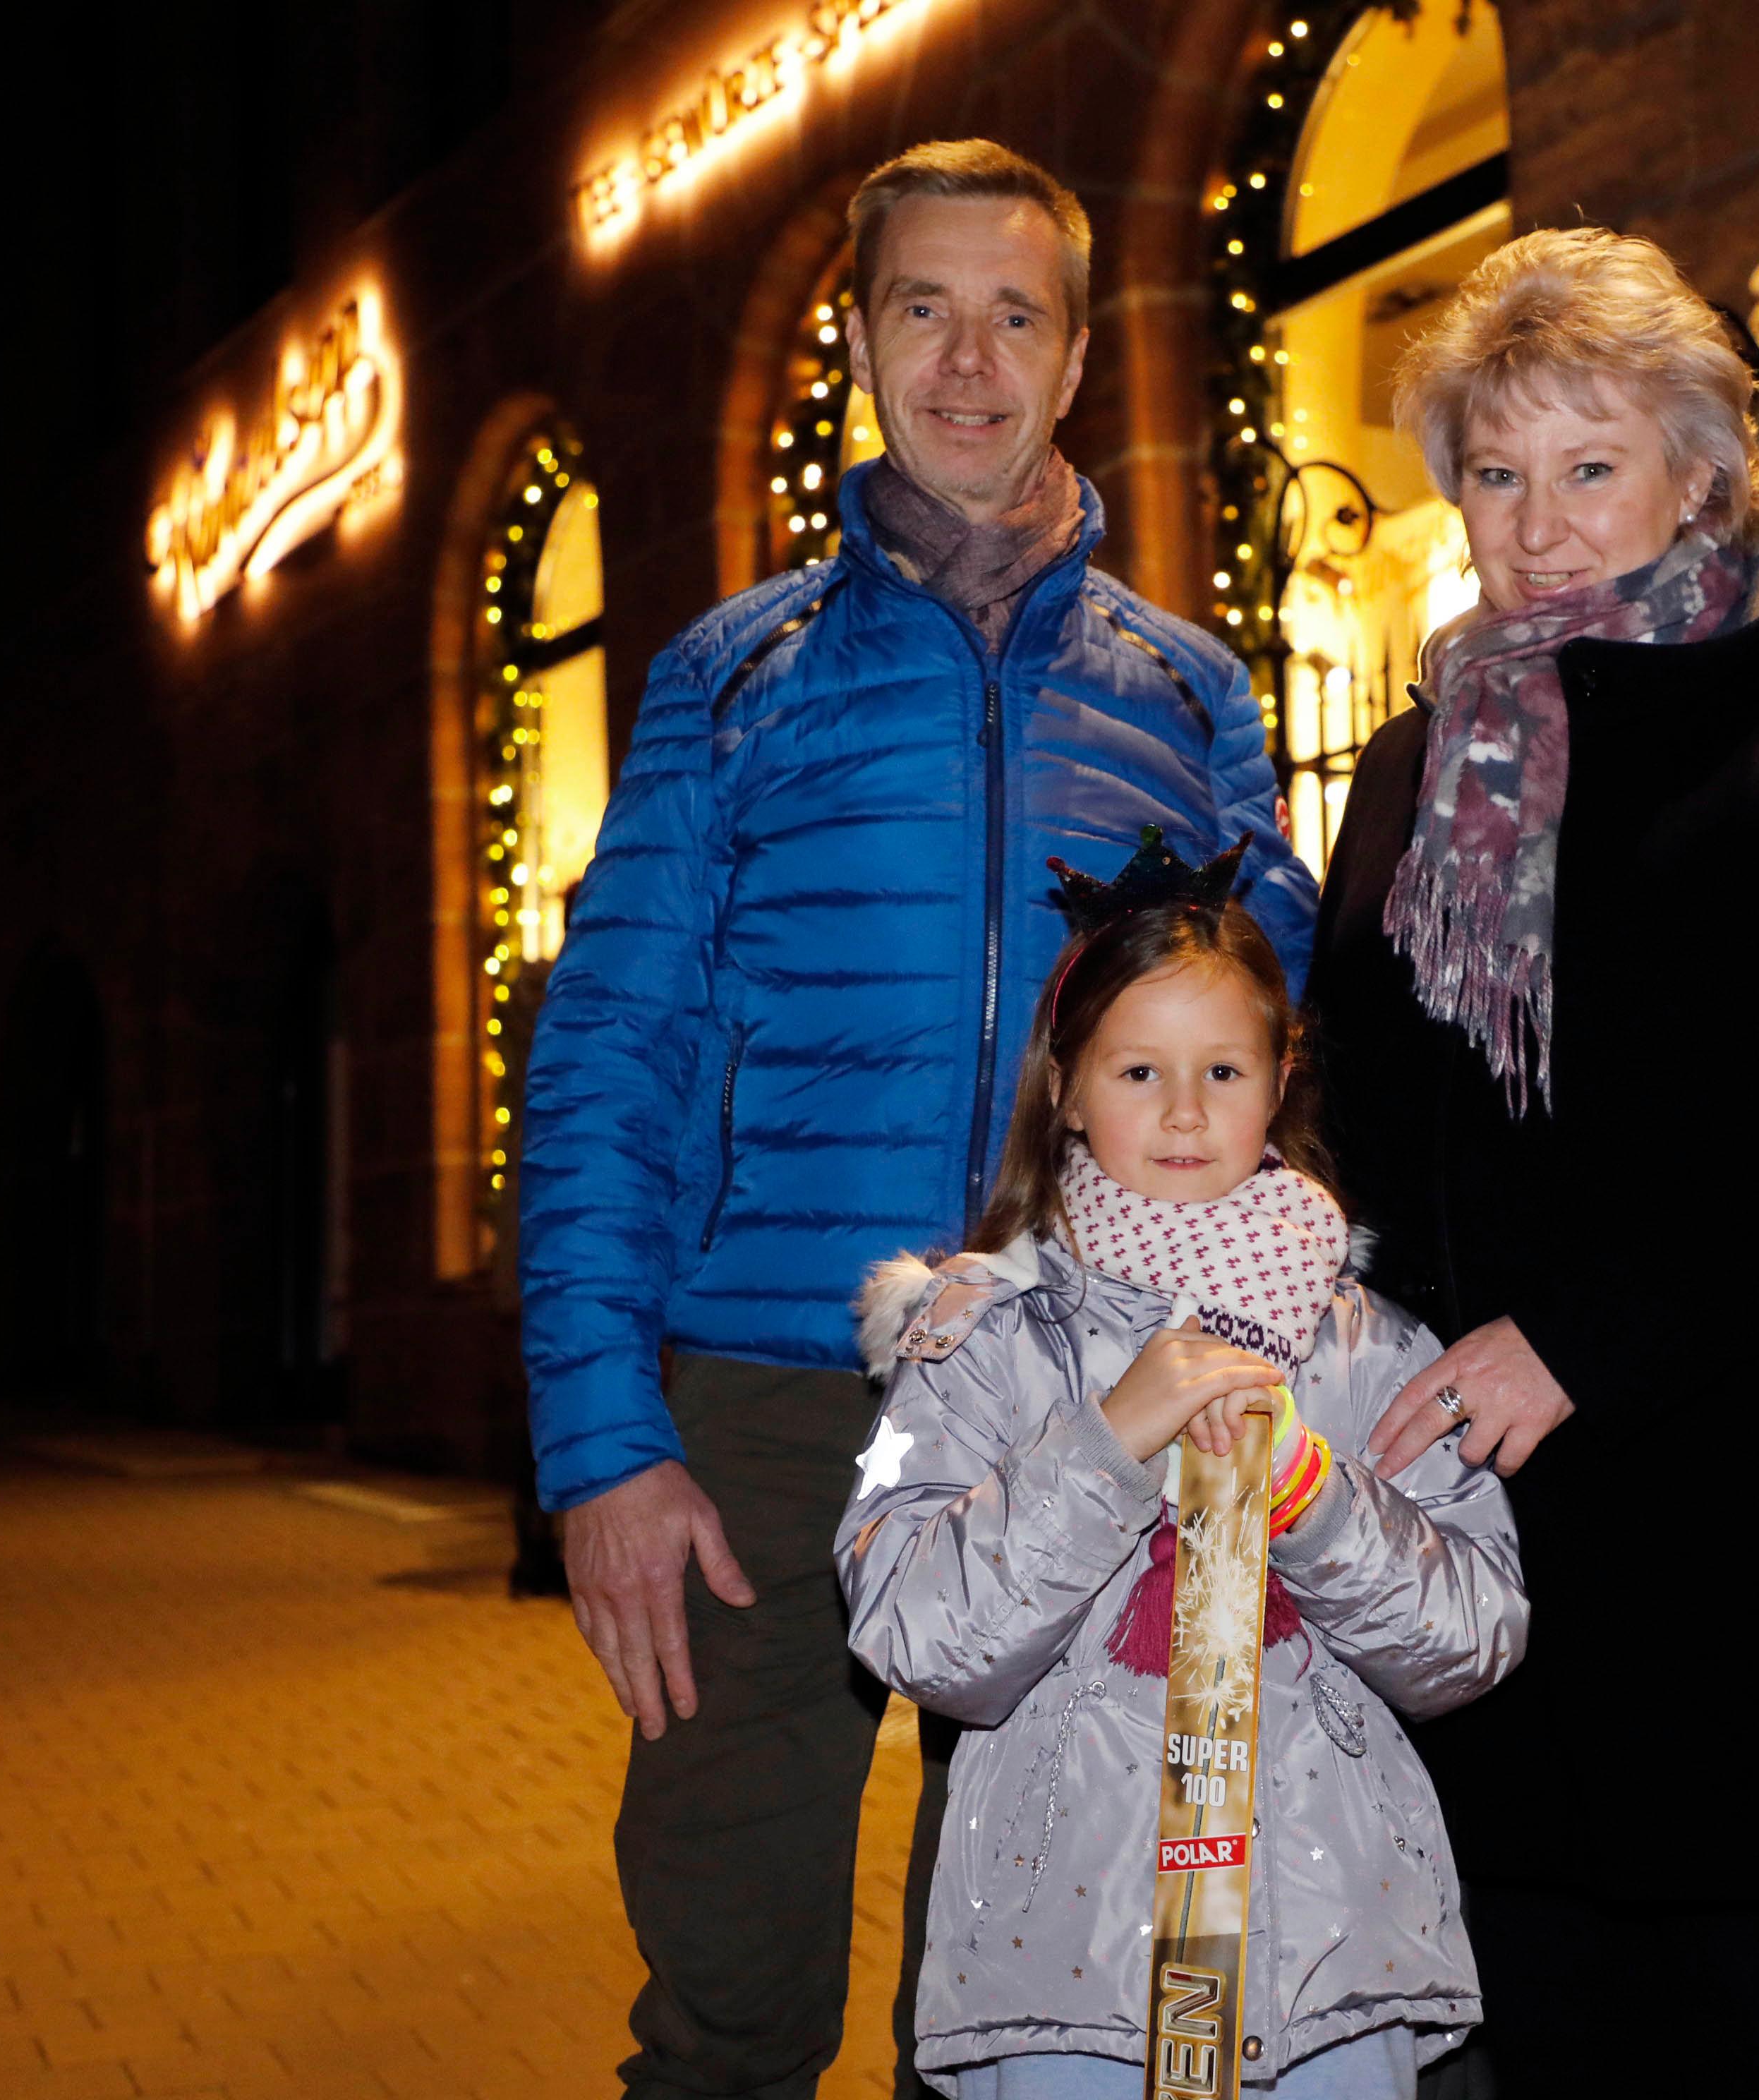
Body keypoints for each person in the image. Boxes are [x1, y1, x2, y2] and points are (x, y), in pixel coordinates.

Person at [521, 141, 1315, 2100]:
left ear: (1069, 360)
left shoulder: (1190, 695)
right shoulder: (731, 675)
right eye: (924, 309)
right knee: (725, 2006)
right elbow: (610, 1055)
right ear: (861, 341)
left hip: (1074, 1395)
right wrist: (605, 1445)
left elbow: (1276, 1062)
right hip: (768, 1412)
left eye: (1015, 315)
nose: (969, 359)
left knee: (1026, 2017)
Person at [1304, 228, 1759, 2095]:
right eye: (1495, 474)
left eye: (1587, 466)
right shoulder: (1412, 763)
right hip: (1472, 1554)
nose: (1533, 523)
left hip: (1736, 1545)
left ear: (1698, 467)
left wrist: (1583, 1337)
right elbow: (1352, 1111)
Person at [839, 831, 1525, 2098]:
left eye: (1224, 1068)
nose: (1187, 1111)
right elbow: (913, 1629)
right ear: (1066, 1086)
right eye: (1140, 1069)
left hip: (1328, 1963)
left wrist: (1312, 1496)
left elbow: (1475, 1632)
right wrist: (1104, 1447)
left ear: (1280, 1082)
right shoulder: (974, 1334)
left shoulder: (1369, 1347)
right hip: (1068, 1976)